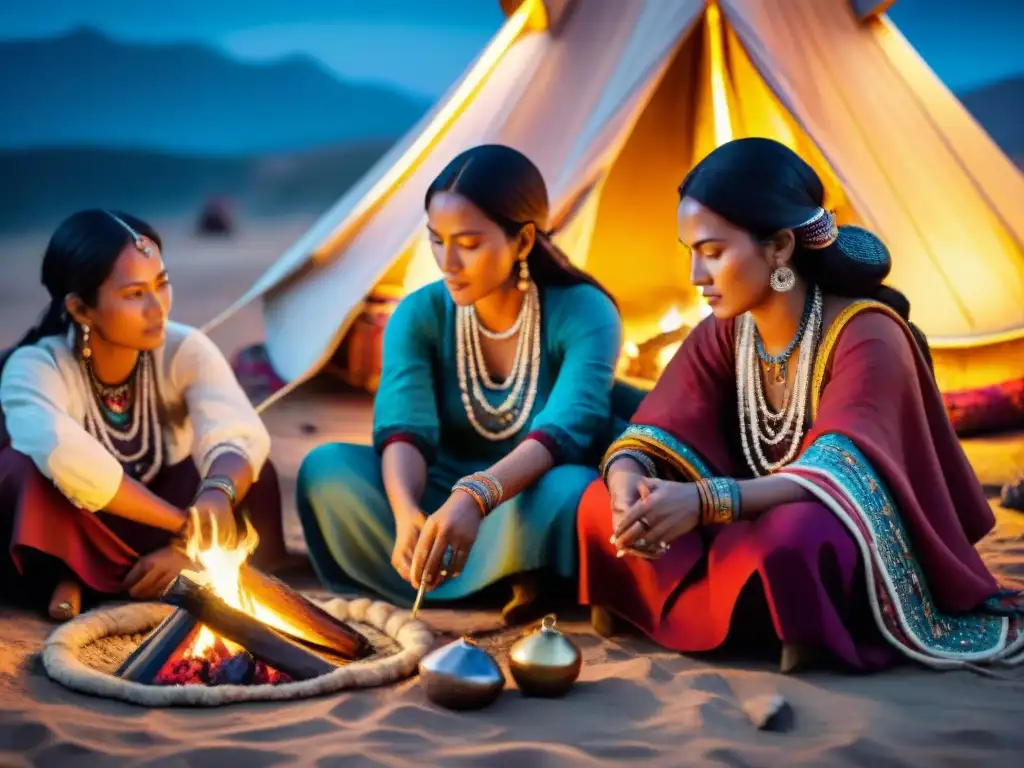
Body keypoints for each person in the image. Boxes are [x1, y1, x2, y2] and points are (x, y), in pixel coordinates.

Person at [578, 138, 1024, 673]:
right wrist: (629, 479)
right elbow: (658, 422)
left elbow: (845, 465)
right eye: (690, 252)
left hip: (837, 526)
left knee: (795, 535)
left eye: (713, 253)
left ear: (781, 247)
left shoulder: (867, 333)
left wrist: (705, 503)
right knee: (597, 502)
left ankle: (803, 630)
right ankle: (713, 609)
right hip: (739, 518)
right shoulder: (727, 332)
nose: (696, 276)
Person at [297, 144, 625, 620]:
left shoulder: (584, 312)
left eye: (468, 244)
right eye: (436, 240)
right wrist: (407, 512)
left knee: (572, 490)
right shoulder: (419, 313)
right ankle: (482, 570)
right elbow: (404, 427)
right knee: (327, 469)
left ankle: (522, 573)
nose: (446, 261)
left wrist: (477, 496)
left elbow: (566, 431)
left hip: (526, 491)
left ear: (525, 241)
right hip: (440, 492)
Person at [0, 209, 286, 621]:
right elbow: (68, 457)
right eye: (134, 294)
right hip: (89, 525)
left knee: (253, 474)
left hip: (170, 522)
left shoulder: (184, 348)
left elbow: (234, 429)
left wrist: (213, 498)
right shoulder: (35, 367)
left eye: (162, 284)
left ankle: (108, 579)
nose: (157, 308)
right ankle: (70, 574)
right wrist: (186, 528)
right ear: (81, 309)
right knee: (19, 469)